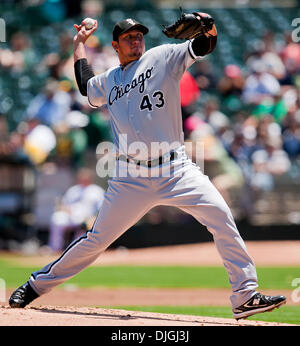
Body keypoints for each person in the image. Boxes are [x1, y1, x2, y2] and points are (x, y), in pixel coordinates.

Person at [9, 15, 286, 320]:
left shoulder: (163, 56)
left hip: (176, 169)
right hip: (131, 177)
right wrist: (79, 45)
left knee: (221, 216)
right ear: (115, 45)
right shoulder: (110, 79)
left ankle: (245, 295)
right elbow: (86, 85)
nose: (136, 39)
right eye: (128, 36)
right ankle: (35, 286)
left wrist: (208, 23)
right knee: (96, 239)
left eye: (139, 34)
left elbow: (205, 44)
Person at [48, 167, 105, 252]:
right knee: (57, 218)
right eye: (82, 177)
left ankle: (73, 250)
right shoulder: (73, 190)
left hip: (87, 219)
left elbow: (102, 209)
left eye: (85, 178)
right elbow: (62, 205)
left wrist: (94, 218)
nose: (83, 179)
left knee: (82, 229)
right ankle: (55, 248)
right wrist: (66, 210)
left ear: (90, 178)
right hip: (71, 216)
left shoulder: (97, 191)